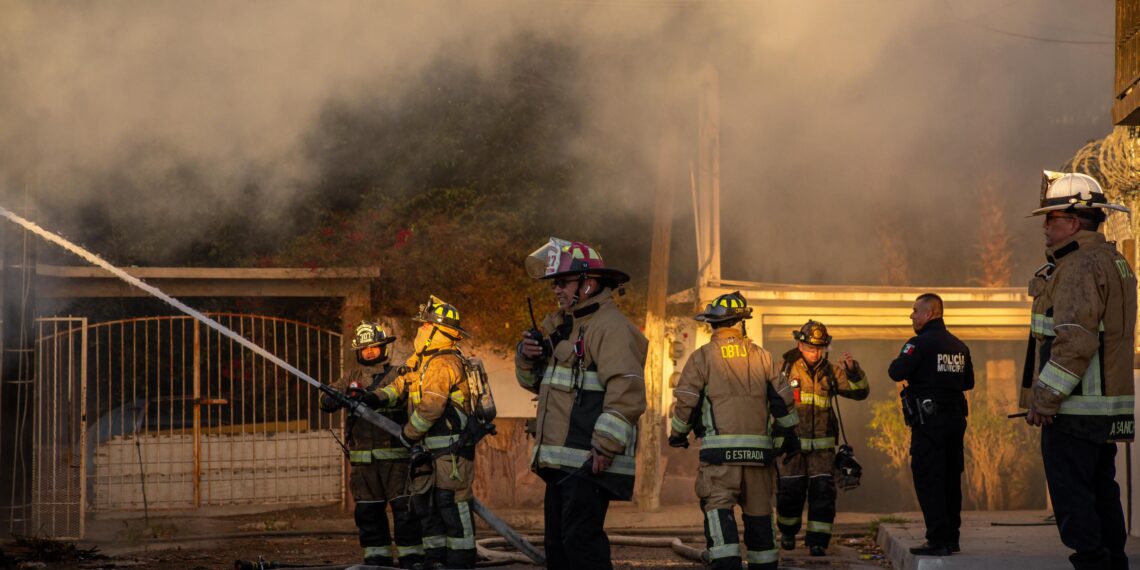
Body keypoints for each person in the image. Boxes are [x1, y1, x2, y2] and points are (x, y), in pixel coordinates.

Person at [1021, 171, 1136, 570]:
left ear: (1072, 222)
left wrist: (1044, 400)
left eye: (1050, 220)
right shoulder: (1114, 261)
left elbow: (1073, 342)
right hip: (1102, 412)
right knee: (1103, 494)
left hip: (1074, 411)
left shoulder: (1077, 268)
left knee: (1075, 501)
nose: (1045, 228)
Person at [515, 238, 648, 570]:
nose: (556, 290)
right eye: (554, 284)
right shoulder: (566, 327)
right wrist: (528, 358)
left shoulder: (610, 327)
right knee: (558, 547)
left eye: (562, 282)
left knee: (580, 544)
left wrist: (604, 446)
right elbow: (538, 385)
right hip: (563, 460)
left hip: (587, 459)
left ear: (588, 284)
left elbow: (627, 390)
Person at [668, 291, 800, 570]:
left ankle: (726, 563)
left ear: (713, 325)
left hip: (719, 459)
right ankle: (763, 564)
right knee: (760, 515)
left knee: (718, 509)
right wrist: (789, 435)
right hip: (759, 457)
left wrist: (678, 434)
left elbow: (687, 402)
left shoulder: (702, 357)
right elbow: (783, 400)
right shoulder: (763, 358)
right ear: (741, 323)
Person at [376, 296, 477, 569]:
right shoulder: (422, 361)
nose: (419, 330)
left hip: (450, 454)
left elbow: (431, 408)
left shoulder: (444, 364)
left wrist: (407, 435)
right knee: (427, 508)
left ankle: (461, 561)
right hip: (430, 451)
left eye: (425, 326)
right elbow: (400, 384)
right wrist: (375, 397)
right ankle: (436, 561)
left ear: (437, 331)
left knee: (452, 507)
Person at [319, 321, 423, 568]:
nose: (368, 352)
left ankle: (412, 557)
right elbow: (325, 400)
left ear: (384, 348)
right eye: (364, 349)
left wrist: (373, 399)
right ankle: (377, 558)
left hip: (397, 460)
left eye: (374, 347)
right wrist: (333, 399)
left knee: (405, 510)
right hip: (363, 462)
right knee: (368, 512)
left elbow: (406, 400)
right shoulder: (351, 377)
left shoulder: (398, 375)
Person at [887, 293, 973, 557]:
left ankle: (937, 540)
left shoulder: (918, 344)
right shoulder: (960, 346)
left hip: (929, 423)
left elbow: (895, 372)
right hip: (955, 422)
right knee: (950, 479)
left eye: (915, 311)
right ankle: (952, 538)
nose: (911, 315)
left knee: (929, 479)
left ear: (930, 313)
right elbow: (968, 382)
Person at [776, 320, 869, 556]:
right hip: (791, 447)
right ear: (799, 343)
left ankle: (818, 541)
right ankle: (787, 533)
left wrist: (852, 371)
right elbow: (766, 400)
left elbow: (860, 391)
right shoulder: (784, 369)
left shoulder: (832, 371)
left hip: (822, 450)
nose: (815, 353)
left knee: (823, 495)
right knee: (790, 493)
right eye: (810, 347)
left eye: (820, 348)